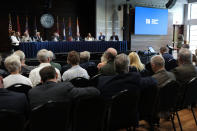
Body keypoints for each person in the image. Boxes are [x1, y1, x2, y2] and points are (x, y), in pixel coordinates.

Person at [28, 66, 100, 108]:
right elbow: (95, 92)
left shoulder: (32, 92)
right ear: (56, 75)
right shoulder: (65, 87)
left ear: (41, 79)